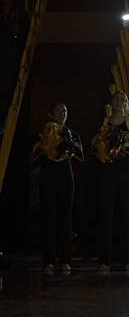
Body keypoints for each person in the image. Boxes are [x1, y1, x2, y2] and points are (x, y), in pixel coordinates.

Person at [92, 92, 129, 274]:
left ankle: (127, 259)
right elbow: (94, 145)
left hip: (125, 170)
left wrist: (121, 146)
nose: (119, 102)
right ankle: (104, 260)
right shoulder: (103, 122)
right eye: (116, 99)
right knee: (105, 214)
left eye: (123, 99)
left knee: (126, 214)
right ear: (110, 102)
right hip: (106, 171)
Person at [33, 103, 83, 276]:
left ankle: (65, 260)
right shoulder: (44, 131)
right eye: (58, 110)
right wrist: (48, 144)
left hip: (65, 173)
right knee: (49, 217)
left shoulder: (71, 132)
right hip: (48, 173)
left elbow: (80, 155)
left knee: (65, 216)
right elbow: (34, 155)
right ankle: (48, 260)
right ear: (51, 114)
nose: (62, 113)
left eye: (65, 111)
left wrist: (69, 143)